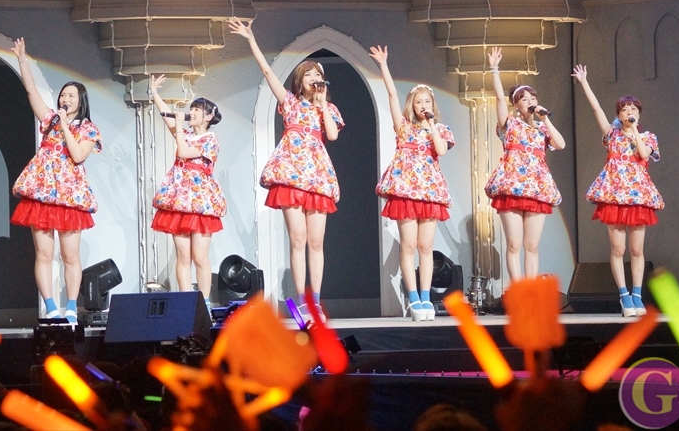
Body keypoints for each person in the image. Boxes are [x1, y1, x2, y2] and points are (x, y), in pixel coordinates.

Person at [228, 18, 344, 315]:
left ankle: (315, 301)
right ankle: (301, 299)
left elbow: (332, 135)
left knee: (316, 242)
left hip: (317, 175)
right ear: (300, 80)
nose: (314, 77)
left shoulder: (328, 108)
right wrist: (251, 39)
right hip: (291, 174)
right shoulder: (290, 102)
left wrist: (322, 105)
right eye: (309, 74)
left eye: (318, 74)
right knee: (298, 239)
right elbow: (267, 72)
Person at [9, 38, 101, 324]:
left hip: (70, 197)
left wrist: (64, 125)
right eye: (63, 95)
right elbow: (31, 91)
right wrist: (22, 60)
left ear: (81, 101)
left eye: (71, 95)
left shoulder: (88, 129)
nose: (65, 99)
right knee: (44, 254)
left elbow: (77, 155)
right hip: (42, 193)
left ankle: (71, 308)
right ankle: (51, 308)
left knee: (70, 255)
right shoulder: (49, 119)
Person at [369, 46, 454, 322]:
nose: (423, 106)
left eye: (427, 101)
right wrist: (384, 65)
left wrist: (432, 127)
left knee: (426, 247)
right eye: (419, 102)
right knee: (408, 245)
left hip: (429, 193)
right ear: (412, 106)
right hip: (406, 191)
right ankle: (414, 298)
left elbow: (441, 151)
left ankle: (427, 297)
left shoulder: (440, 129)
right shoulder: (403, 126)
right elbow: (392, 95)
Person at [572, 64, 663, 317]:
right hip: (614, 195)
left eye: (633, 109)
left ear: (639, 114)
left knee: (637, 250)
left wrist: (635, 132)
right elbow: (596, 109)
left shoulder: (648, 137)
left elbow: (643, 154)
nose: (629, 112)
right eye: (625, 109)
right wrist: (584, 82)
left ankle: (637, 295)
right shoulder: (611, 134)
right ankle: (623, 296)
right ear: (619, 115)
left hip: (638, 197)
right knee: (618, 249)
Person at [483, 47, 565, 282]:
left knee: (532, 246)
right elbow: (499, 99)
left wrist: (545, 119)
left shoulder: (542, 128)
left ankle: (530, 291)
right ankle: (517, 290)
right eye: (524, 99)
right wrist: (495, 69)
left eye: (533, 98)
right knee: (514, 243)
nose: (530, 102)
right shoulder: (509, 124)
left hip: (537, 188)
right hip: (511, 187)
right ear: (516, 105)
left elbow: (560, 144)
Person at [149, 75, 226, 305]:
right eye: (191, 109)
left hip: (200, 202)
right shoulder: (187, 134)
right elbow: (167, 118)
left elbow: (183, 152)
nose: (191, 112)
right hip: (179, 199)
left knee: (200, 257)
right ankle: (185, 303)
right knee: (183, 257)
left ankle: (203, 304)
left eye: (196, 110)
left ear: (208, 116)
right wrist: (155, 94)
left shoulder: (210, 139)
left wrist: (180, 130)